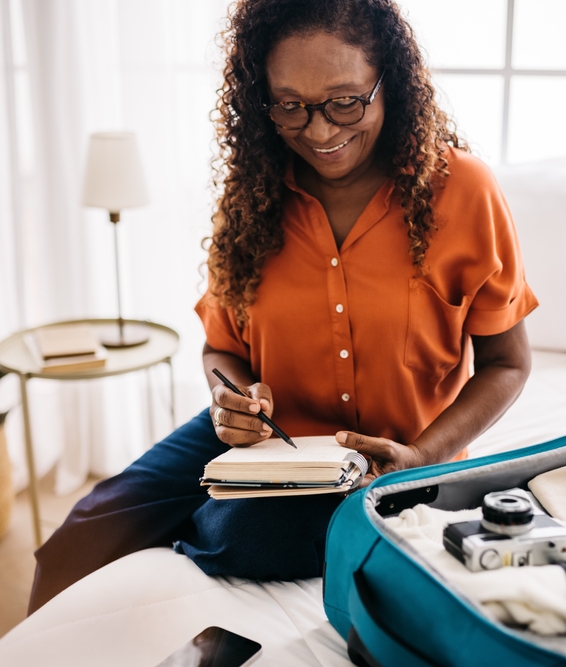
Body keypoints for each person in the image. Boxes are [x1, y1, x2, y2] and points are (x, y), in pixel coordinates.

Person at [28, 0, 537, 615]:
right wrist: (232, 399)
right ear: (260, 99)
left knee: (243, 538)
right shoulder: (251, 196)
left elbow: (507, 363)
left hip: (390, 460)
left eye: (345, 101)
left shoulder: (464, 191)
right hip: (266, 442)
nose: (319, 130)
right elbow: (221, 346)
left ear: (389, 86)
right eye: (290, 105)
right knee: (85, 528)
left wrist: (422, 458)